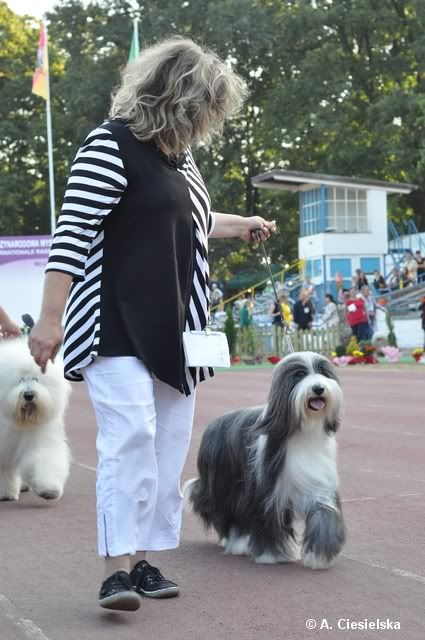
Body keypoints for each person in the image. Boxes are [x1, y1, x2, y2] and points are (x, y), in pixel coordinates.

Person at [28, 37, 276, 612]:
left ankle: (143, 560)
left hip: (177, 330)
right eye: (204, 107)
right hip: (113, 323)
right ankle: (114, 571)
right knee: (130, 440)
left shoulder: (182, 158)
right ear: (176, 97)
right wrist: (49, 320)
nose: (208, 120)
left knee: (167, 446)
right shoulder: (108, 146)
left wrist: (240, 223)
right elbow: (71, 234)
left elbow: (190, 217)